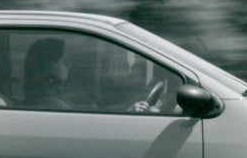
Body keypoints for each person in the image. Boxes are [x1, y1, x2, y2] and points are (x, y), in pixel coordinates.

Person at [22, 37, 153, 112]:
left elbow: (91, 113)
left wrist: (127, 109)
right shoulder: (51, 102)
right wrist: (128, 114)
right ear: (48, 64)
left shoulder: (54, 95)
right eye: (64, 60)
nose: (69, 65)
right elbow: (89, 127)